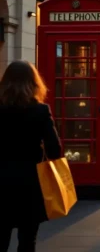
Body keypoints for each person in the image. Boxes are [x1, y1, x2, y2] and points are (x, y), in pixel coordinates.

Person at [0, 61, 62, 252]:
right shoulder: (41, 110)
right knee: (28, 240)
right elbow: (55, 150)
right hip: (31, 183)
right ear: (34, 82)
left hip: (1, 182)